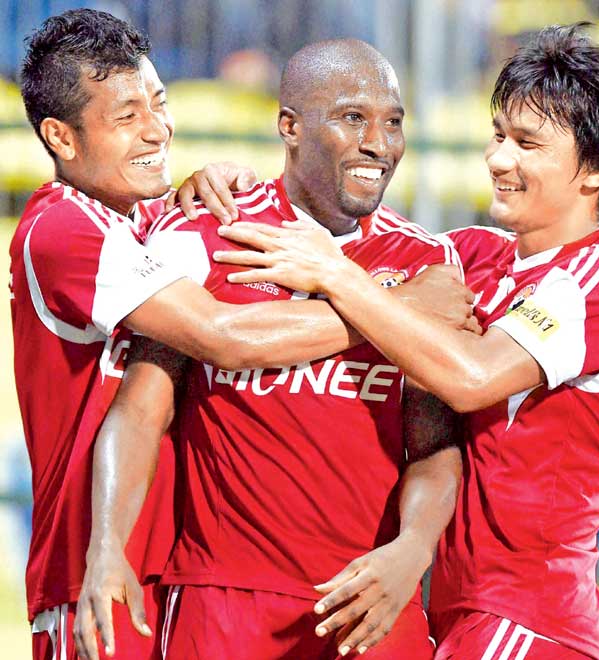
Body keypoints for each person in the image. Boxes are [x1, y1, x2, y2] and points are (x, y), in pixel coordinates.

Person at [216, 23, 599, 660]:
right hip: (456, 613)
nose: (499, 159)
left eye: (528, 144)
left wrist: (338, 276)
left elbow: (471, 377)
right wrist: (239, 185)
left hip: (529, 623)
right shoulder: (472, 255)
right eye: (499, 135)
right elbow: (355, 231)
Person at [12, 11, 405, 660]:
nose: (157, 129)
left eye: (159, 104)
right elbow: (224, 338)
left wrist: (195, 186)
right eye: (125, 117)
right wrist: (385, 306)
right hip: (93, 583)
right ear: (61, 137)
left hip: (164, 580)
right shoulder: (59, 231)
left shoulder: (149, 219)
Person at [75, 39, 474, 660]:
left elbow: (434, 443)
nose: (379, 142)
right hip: (224, 601)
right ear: (289, 126)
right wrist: (107, 543)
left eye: (393, 121)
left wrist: (414, 549)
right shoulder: (209, 229)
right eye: (352, 118)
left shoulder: (425, 261)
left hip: (368, 604)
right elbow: (141, 407)